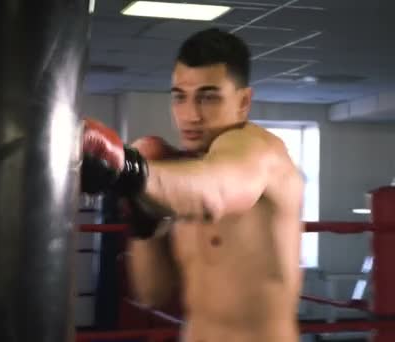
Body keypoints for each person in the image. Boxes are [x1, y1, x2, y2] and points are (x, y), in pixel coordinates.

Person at [81, 28, 304, 342]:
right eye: (180, 97)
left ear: (243, 101)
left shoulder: (260, 151)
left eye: (208, 97)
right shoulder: (178, 181)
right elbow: (153, 293)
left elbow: (215, 192)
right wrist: (144, 224)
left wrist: (126, 167)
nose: (191, 115)